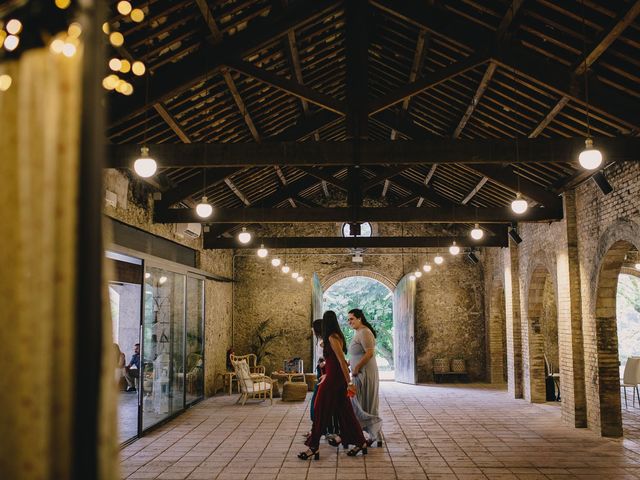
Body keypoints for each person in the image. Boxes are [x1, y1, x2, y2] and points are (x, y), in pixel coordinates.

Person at [298, 311, 367, 460]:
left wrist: (349, 382)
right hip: (333, 378)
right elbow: (333, 362)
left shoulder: (332, 337)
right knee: (346, 413)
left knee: (320, 410)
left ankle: (313, 447)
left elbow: (342, 361)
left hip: (335, 381)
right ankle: (361, 442)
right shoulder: (335, 336)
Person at [347, 308, 382, 446]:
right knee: (359, 403)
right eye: (348, 319)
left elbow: (369, 353)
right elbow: (358, 354)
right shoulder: (358, 333)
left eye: (352, 319)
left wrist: (356, 367)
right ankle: (373, 435)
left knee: (365, 403)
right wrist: (349, 362)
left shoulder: (365, 332)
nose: (349, 322)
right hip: (359, 371)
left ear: (359, 318)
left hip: (365, 373)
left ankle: (375, 436)